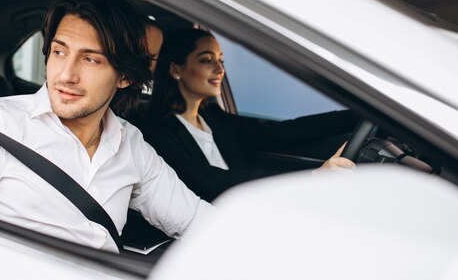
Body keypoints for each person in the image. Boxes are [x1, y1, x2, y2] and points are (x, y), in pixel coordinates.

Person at [0, 0, 212, 253]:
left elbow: (196, 221)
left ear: (126, 77)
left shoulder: (129, 143)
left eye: (90, 59)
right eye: (59, 52)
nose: (65, 75)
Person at [143, 28, 359, 202]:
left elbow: (283, 131)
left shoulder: (216, 120)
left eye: (221, 60)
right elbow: (203, 179)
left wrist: (356, 116)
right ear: (176, 70)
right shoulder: (155, 132)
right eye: (207, 60)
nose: (220, 69)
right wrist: (310, 178)